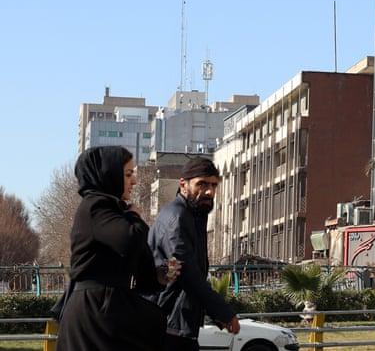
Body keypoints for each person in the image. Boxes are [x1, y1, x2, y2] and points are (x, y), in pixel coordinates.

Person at [57, 146, 174, 351]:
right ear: (108, 175)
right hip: (95, 314)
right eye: (128, 174)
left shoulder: (112, 210)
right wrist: (134, 216)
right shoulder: (96, 206)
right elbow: (130, 240)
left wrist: (158, 277)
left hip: (106, 310)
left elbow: (125, 265)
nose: (134, 181)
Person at [147, 156, 241, 351]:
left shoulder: (193, 216)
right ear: (183, 185)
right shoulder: (177, 218)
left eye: (213, 185)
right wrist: (221, 311)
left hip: (175, 324)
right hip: (165, 325)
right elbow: (188, 273)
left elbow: (180, 270)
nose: (209, 191)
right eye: (202, 184)